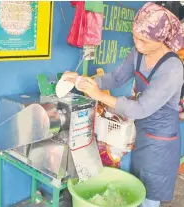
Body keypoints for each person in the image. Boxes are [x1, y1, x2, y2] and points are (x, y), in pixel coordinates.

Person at [62, 2, 184, 207]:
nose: (138, 45)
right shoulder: (138, 54)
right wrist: (84, 81)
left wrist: (99, 95)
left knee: (150, 194)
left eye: (143, 40)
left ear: (160, 38)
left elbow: (141, 108)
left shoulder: (172, 67)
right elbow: (116, 78)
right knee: (134, 183)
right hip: (142, 129)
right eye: (135, 38)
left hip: (161, 140)